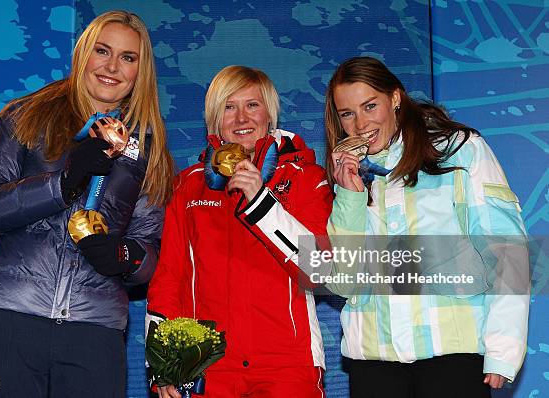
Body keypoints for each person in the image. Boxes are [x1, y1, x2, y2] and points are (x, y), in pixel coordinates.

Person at [0, 10, 173, 398]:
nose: (112, 67)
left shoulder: (148, 147)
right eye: (102, 51)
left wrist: (125, 256)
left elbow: (151, 249)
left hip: (95, 333)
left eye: (128, 58)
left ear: (140, 71)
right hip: (10, 320)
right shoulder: (25, 115)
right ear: (82, 54)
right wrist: (61, 183)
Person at [323, 56, 529, 397]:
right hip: (373, 363)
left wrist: (503, 347)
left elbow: (507, 248)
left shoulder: (460, 149)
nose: (360, 124)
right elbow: (344, 283)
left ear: (395, 98)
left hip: (452, 357)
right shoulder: (349, 172)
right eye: (347, 113)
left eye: (370, 106)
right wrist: (349, 197)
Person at [146, 65, 333, 398]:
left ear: (269, 115)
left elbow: (318, 268)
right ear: (215, 119)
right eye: (229, 107)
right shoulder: (189, 187)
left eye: (252, 105)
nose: (241, 118)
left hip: (288, 367)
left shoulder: (306, 177)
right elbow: (169, 278)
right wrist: (165, 362)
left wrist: (260, 200)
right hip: (208, 366)